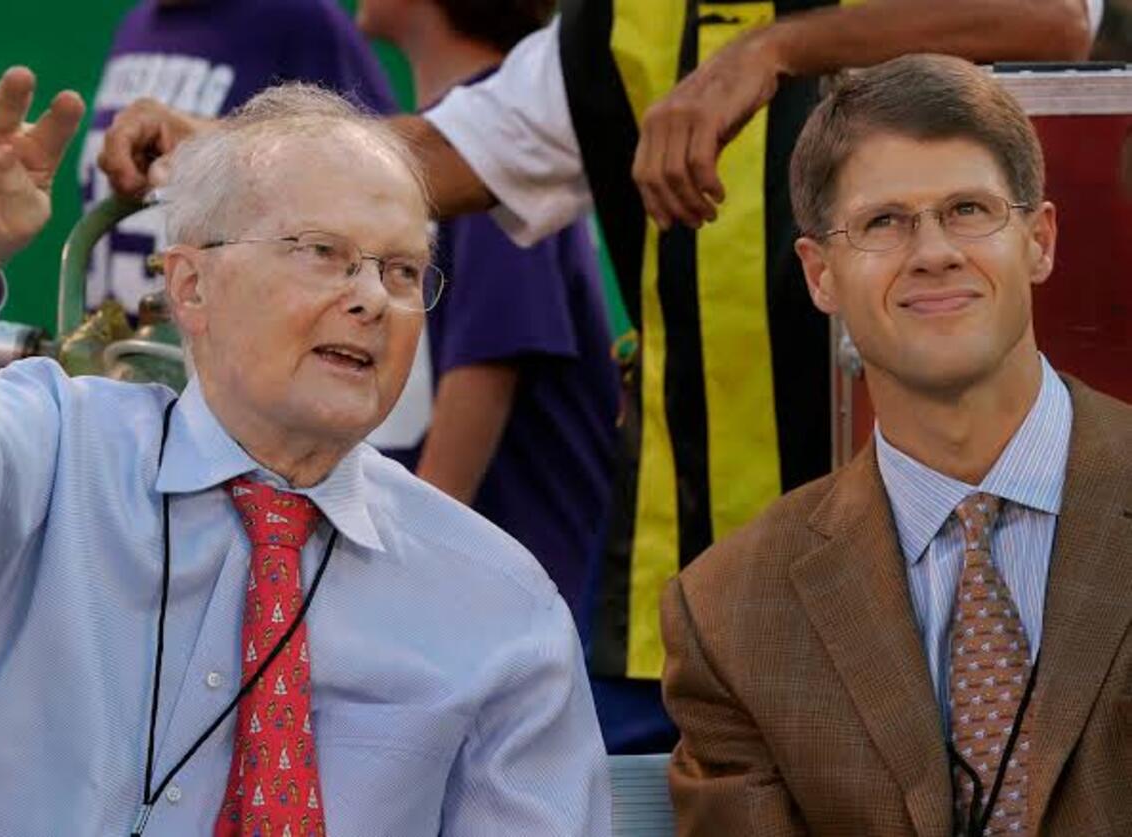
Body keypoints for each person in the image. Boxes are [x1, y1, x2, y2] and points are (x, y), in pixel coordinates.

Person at [96, 0, 1103, 753]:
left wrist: (776, 50)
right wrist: (228, 152)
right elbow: (431, 155)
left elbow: (1061, 17)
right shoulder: (618, 23)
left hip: (951, 583)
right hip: (681, 604)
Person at [0, 58, 610, 834]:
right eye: (321, 252)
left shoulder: (497, 605)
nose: (369, 297)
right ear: (189, 286)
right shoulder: (51, 456)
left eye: (402, 272)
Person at [660, 54, 1132, 835]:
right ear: (819, 275)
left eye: (968, 210)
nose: (932, 250)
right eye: (883, 222)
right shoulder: (731, 614)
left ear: (1039, 240)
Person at [355, 0, 620, 659]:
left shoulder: (487, 138)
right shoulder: (472, 125)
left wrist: (408, 563)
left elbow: (491, 357)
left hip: (514, 589)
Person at [79, 0, 397, 313]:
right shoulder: (137, 25)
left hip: (234, 346)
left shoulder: (301, 17)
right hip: (117, 345)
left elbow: (379, 172)